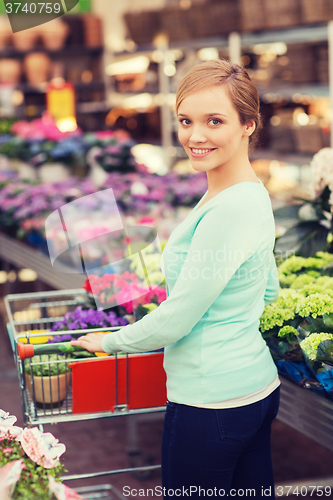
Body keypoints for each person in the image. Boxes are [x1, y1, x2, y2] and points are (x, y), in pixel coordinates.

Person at [71, 59, 281, 499]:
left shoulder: (229, 207)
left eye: (214, 121)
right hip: (254, 390)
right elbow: (268, 289)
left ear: (248, 124)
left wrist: (109, 341)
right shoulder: (246, 192)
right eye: (186, 121)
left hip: (210, 403)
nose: (195, 136)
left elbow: (179, 318)